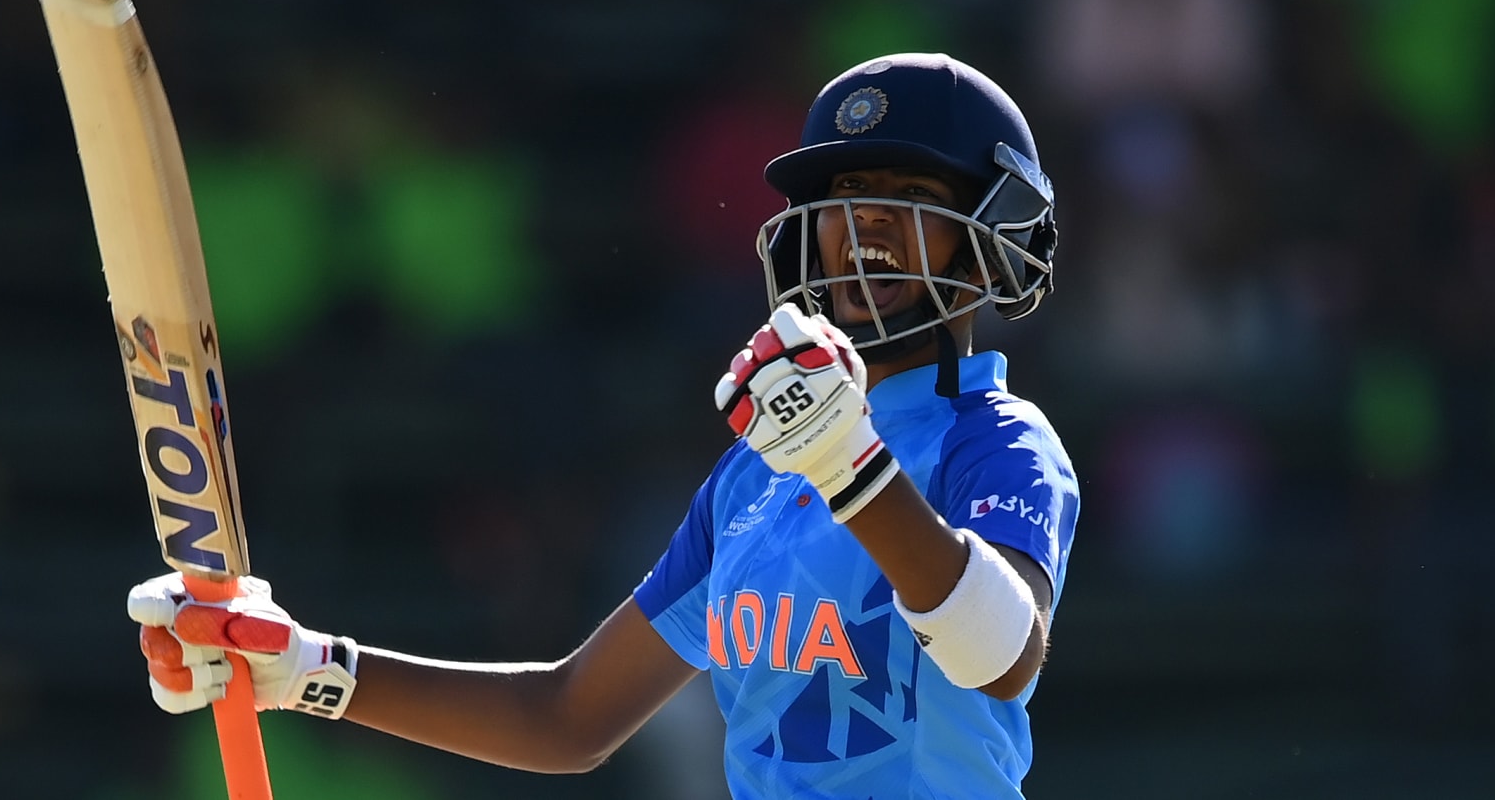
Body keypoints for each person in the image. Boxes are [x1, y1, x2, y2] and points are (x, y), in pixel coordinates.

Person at [129, 52, 1080, 799]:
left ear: (993, 235)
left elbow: (1002, 656)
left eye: (912, 199)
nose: (867, 226)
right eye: (846, 199)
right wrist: (301, 668)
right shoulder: (757, 475)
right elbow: (569, 715)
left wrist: (849, 466)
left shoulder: (995, 441)